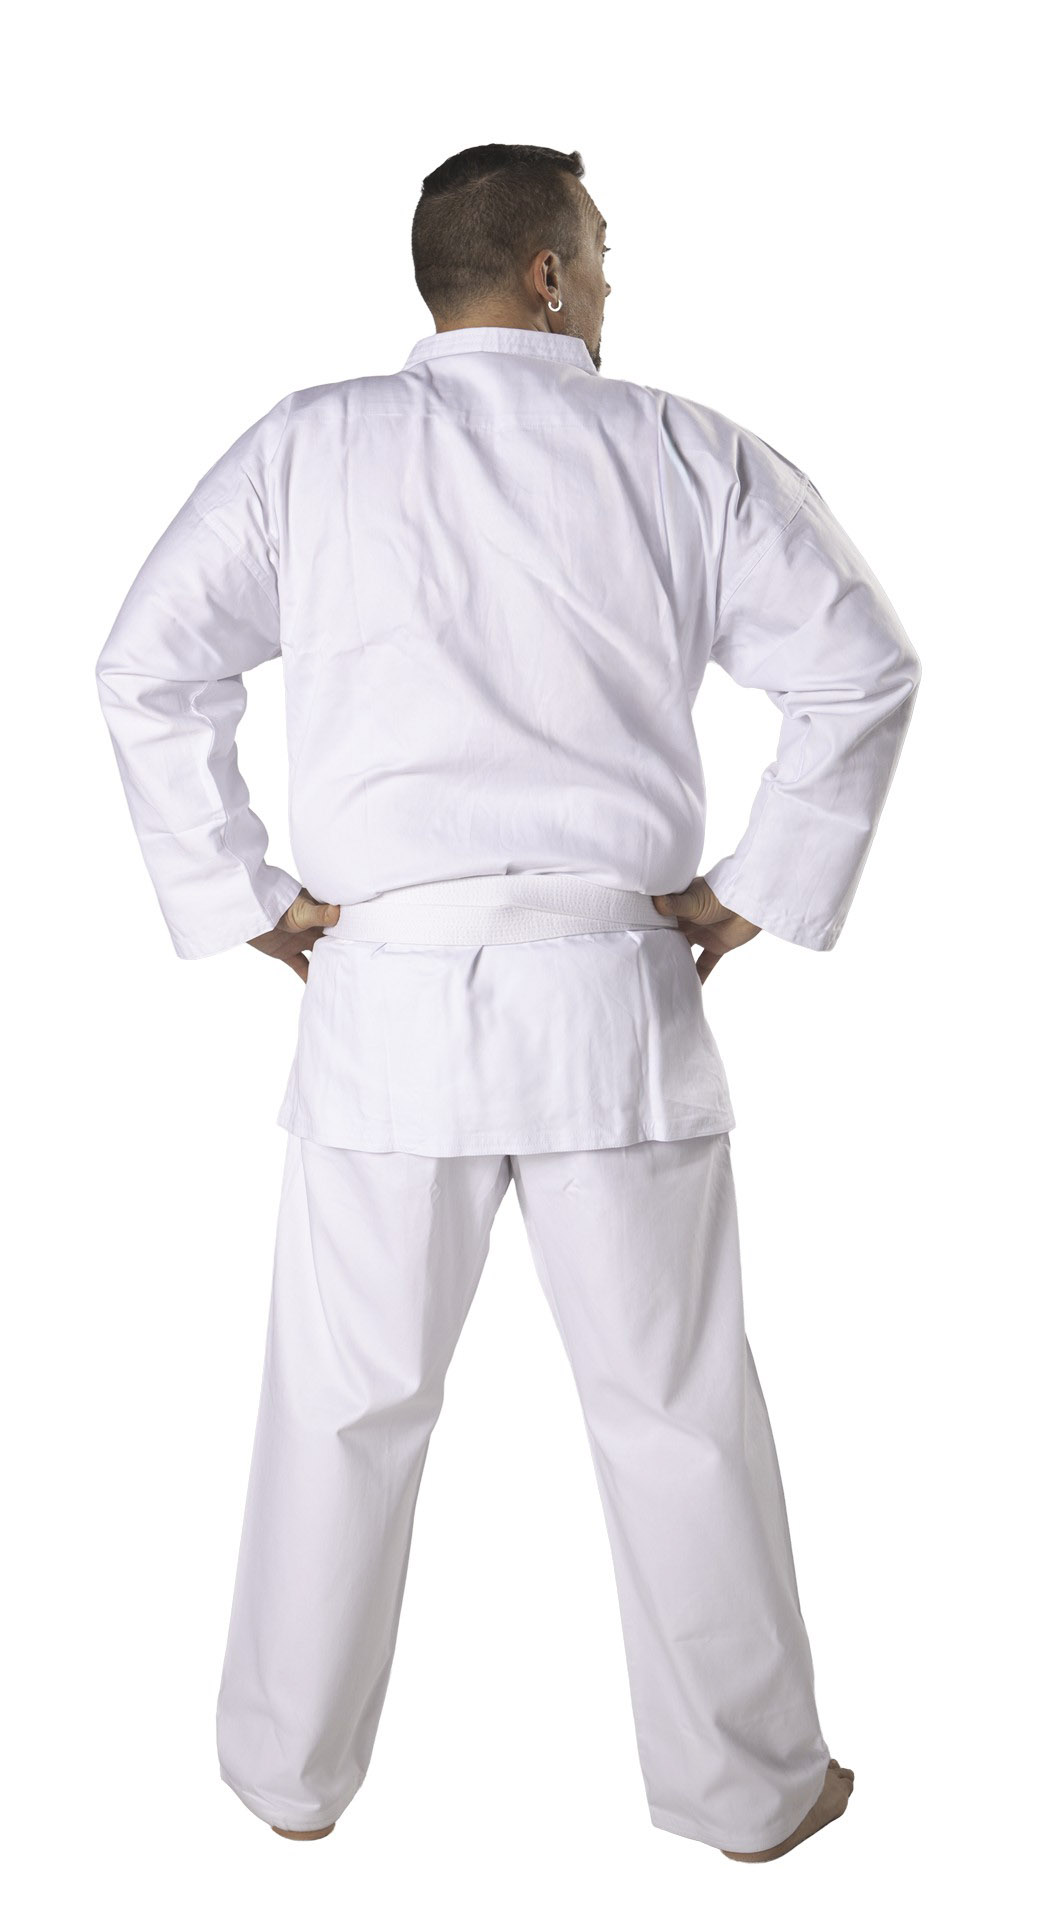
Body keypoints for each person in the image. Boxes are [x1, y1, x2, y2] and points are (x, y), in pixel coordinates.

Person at [94, 142, 920, 1861]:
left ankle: (286, 1778)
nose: (610, 278)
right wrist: (758, 884)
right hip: (612, 988)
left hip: (385, 996)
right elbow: (861, 664)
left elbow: (148, 662)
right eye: (599, 250)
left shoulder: (310, 449)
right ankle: (751, 1791)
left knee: (343, 1405)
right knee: (674, 1409)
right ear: (545, 273)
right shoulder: (681, 451)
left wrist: (242, 891)